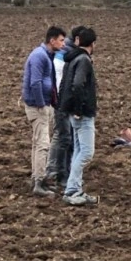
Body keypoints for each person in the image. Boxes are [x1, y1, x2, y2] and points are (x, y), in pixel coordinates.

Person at [22, 26, 67, 197]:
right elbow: (35, 83)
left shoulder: (46, 55)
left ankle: (37, 178)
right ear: (52, 40)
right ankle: (39, 183)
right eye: (61, 40)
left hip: (43, 104)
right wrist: (41, 104)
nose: (63, 44)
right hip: (38, 106)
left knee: (37, 142)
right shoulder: (40, 56)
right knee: (43, 144)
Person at [58, 27, 99, 206]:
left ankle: (74, 188)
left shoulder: (72, 58)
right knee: (86, 153)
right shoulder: (83, 60)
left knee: (78, 151)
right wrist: (79, 109)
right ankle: (73, 190)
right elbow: (77, 85)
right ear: (92, 44)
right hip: (82, 114)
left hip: (71, 112)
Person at [46, 25, 85, 189]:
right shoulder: (67, 56)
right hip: (62, 101)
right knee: (65, 137)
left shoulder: (65, 53)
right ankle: (59, 172)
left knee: (60, 135)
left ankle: (53, 169)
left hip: (60, 99)